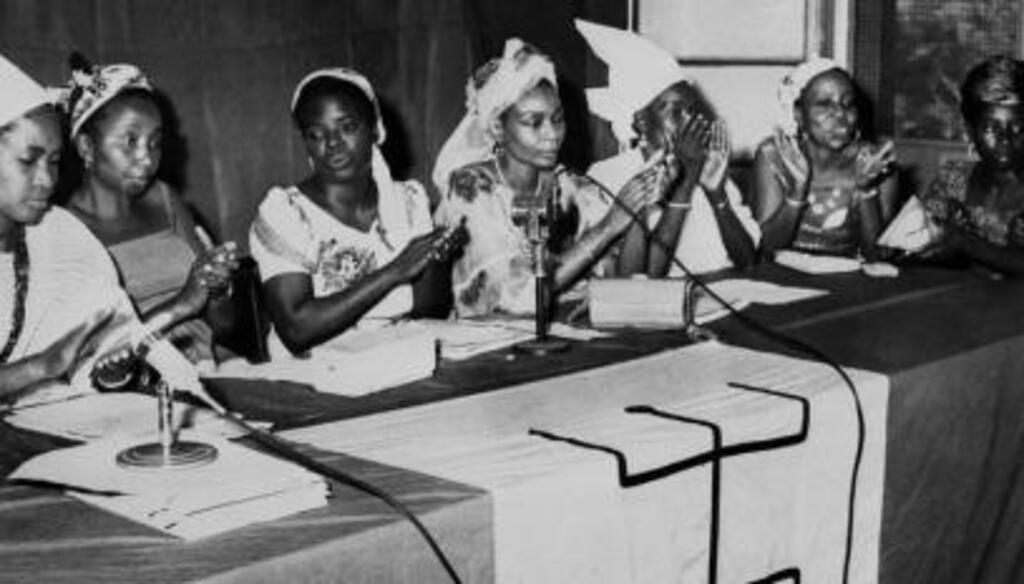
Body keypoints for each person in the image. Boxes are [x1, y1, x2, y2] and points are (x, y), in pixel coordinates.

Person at [432, 38, 667, 318]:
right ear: (497, 127)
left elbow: (626, 283)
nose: (552, 134)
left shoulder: (572, 187)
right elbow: (517, 298)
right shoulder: (471, 189)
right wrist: (606, 228)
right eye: (534, 122)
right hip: (492, 344)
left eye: (557, 119)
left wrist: (636, 210)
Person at [249, 68, 458, 358]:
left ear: (374, 128)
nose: (333, 143)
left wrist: (437, 260)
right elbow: (297, 331)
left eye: (347, 127)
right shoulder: (285, 213)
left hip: (397, 361)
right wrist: (395, 271)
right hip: (315, 378)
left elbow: (429, 309)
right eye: (316, 134)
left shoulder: (407, 201)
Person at [60, 54, 238, 367]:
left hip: (203, 366)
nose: (146, 157)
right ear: (87, 148)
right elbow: (90, 354)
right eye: (130, 141)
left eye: (155, 142)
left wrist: (219, 289)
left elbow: (224, 325)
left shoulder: (165, 200)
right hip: (125, 385)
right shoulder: (64, 230)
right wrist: (182, 302)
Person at [0, 53, 143, 401]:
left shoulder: (61, 235)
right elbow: (52, 364)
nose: (47, 179)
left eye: (53, 161)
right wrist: (40, 367)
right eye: (28, 160)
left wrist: (110, 371)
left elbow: (107, 339)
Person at [576, 19, 759, 277]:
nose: (691, 120)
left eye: (693, 110)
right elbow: (635, 284)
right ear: (641, 121)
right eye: (675, 111)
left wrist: (717, 193)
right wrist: (685, 183)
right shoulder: (609, 177)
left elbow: (749, 262)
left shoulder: (710, 168)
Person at [753, 58, 897, 259]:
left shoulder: (875, 162)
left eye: (848, 104)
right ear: (798, 114)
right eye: (824, 104)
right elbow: (765, 250)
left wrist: (866, 190)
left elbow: (878, 257)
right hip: (782, 282)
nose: (840, 113)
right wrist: (796, 194)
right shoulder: (774, 156)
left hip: (850, 284)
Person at [915, 56, 1024, 275]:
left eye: (1018, 128)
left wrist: (965, 243)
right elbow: (917, 247)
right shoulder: (954, 178)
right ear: (970, 131)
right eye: (991, 128)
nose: (1005, 139)